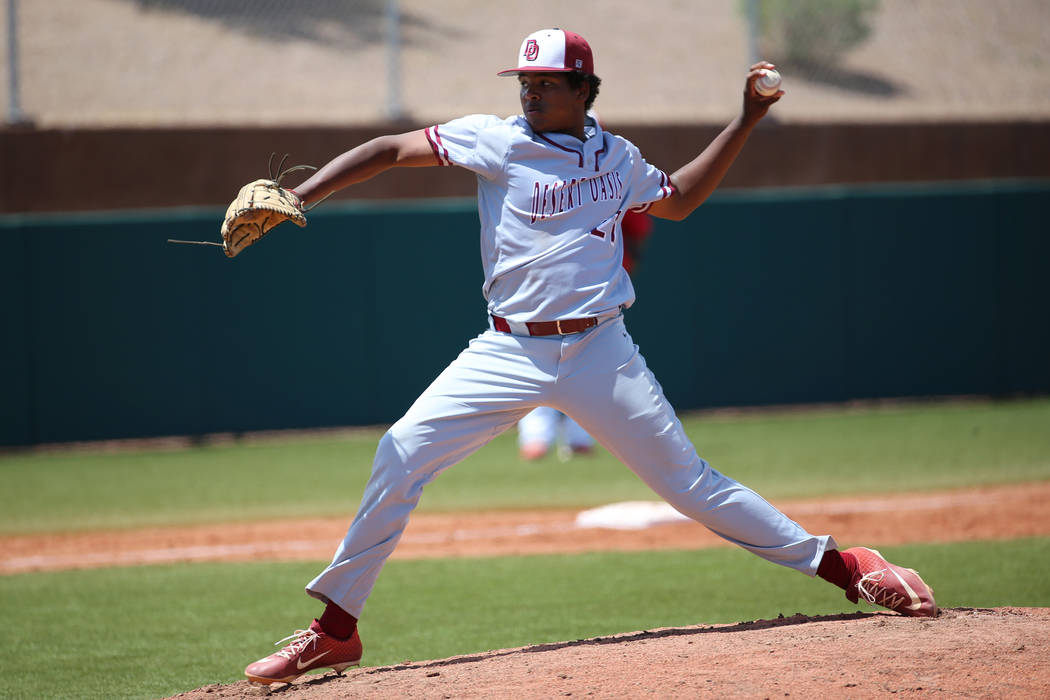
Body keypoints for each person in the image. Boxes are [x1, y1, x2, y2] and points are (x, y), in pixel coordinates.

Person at [243, 28, 937, 686]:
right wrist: (299, 196)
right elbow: (392, 149)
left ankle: (847, 566)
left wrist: (746, 118)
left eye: (546, 82)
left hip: (600, 348)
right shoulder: (497, 140)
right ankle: (336, 627)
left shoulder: (618, 156)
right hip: (508, 348)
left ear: (583, 87)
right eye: (525, 81)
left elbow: (683, 198)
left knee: (689, 483)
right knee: (400, 451)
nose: (530, 93)